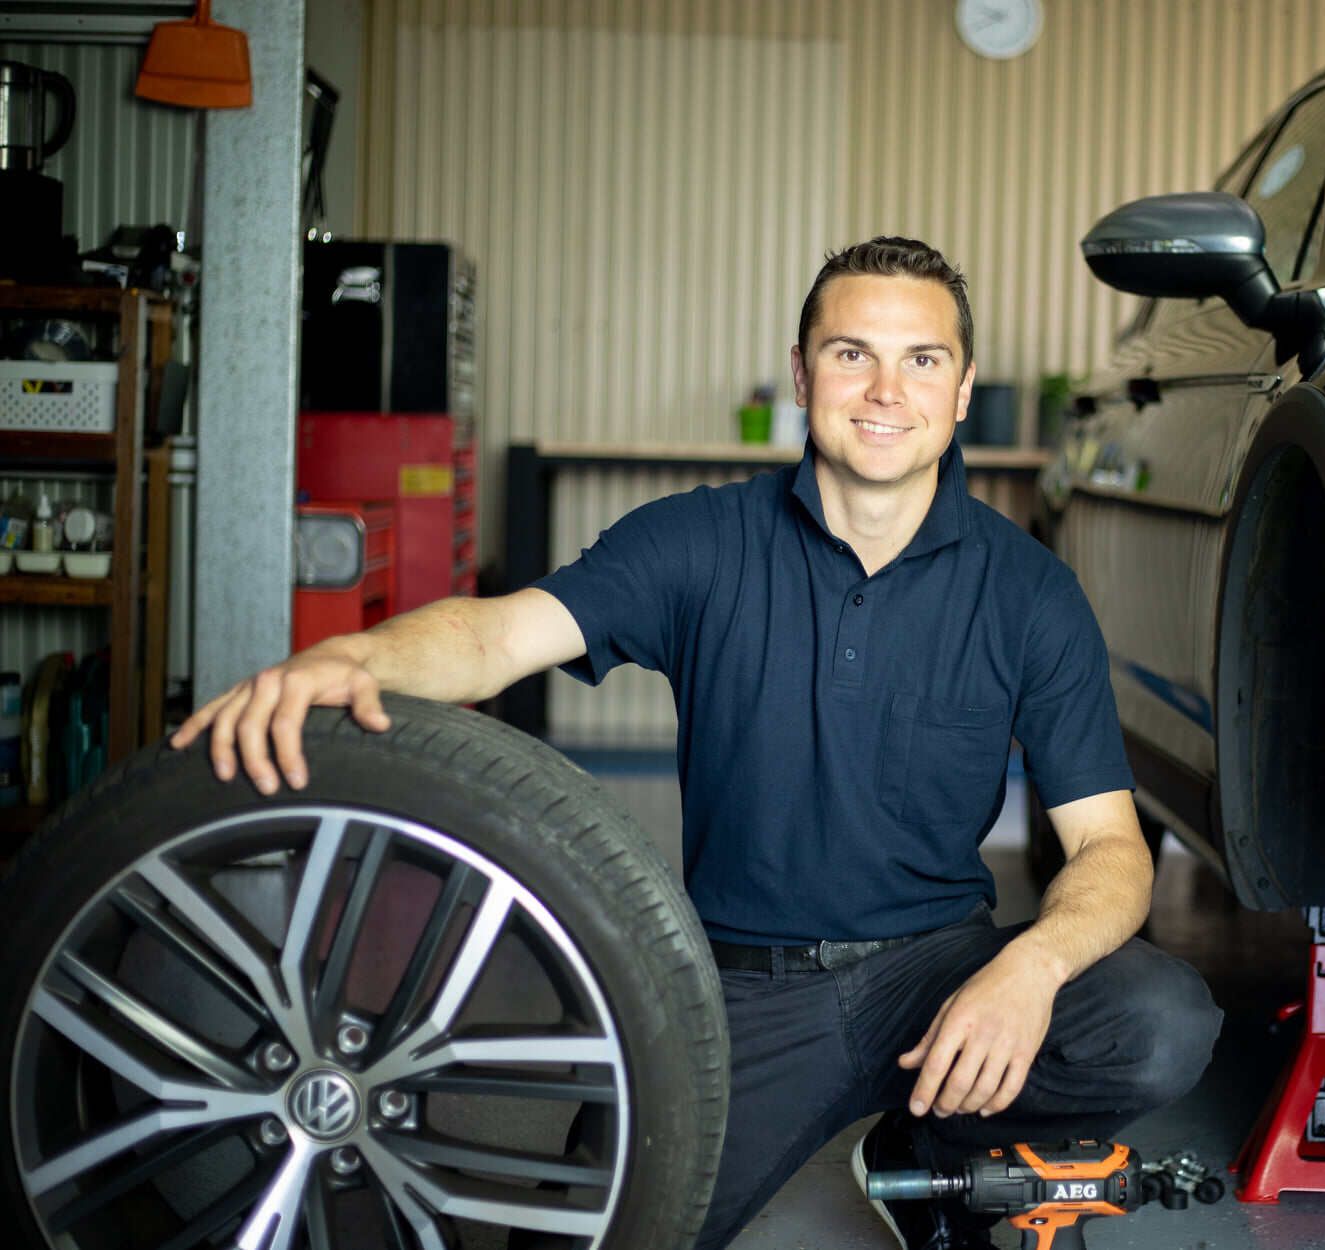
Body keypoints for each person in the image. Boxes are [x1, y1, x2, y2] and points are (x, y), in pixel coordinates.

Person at [172, 236, 1223, 1250]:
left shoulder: (1028, 591)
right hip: (743, 991)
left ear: (961, 389)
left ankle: (939, 1147)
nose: (884, 390)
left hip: (938, 969)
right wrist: (351, 656)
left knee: (1159, 1017)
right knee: (595, 1231)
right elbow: (497, 632)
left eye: (922, 360)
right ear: (803, 375)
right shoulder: (700, 542)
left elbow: (1110, 850)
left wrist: (1029, 967)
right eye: (851, 353)